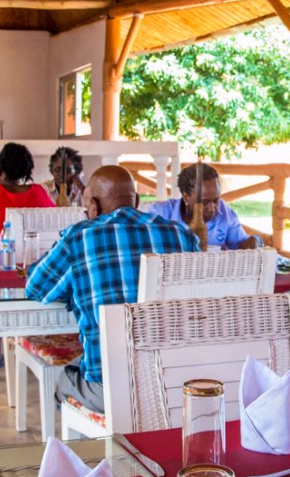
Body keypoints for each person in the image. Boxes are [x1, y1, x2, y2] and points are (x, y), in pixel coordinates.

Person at [25, 165, 200, 411]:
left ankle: (84, 446)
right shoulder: (181, 235)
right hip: (173, 383)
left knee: (64, 379)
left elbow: (36, 287)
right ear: (136, 200)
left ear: (93, 207)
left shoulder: (79, 237)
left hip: (110, 389)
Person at [147, 163, 258, 249]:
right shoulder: (161, 214)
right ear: (186, 197)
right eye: (205, 202)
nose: (212, 208)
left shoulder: (223, 211)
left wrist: (253, 242)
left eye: (216, 200)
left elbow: (240, 242)